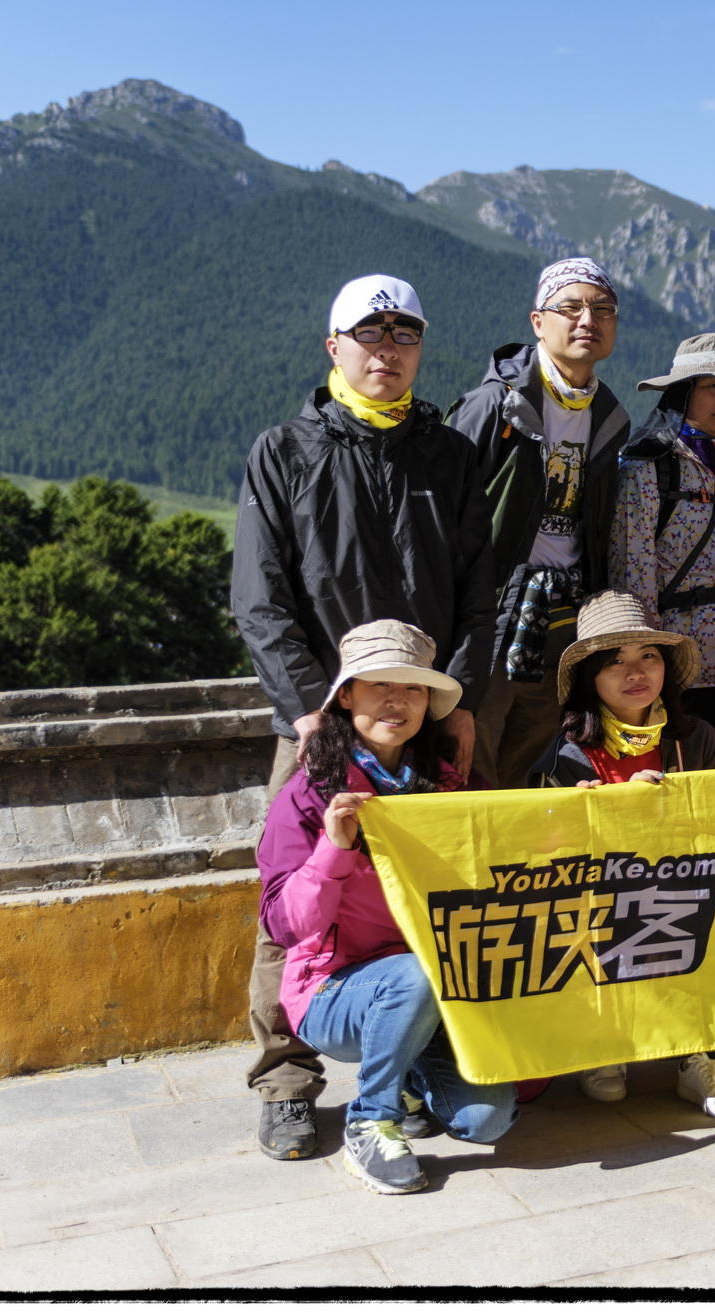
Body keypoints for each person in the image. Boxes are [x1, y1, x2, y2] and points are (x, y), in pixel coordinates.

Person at [231, 273, 495, 1161]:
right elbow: (260, 597)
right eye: (369, 335)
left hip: (426, 714)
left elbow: (481, 593)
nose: (387, 350)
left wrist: (460, 698)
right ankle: (286, 1079)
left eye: (404, 334)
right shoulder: (284, 452)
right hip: (321, 718)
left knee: (436, 890)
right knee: (293, 900)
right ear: (333, 347)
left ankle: (412, 1063)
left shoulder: (449, 455)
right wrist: (307, 708)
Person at [256, 620, 522, 1194]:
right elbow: (283, 925)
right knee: (410, 976)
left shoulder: (453, 785)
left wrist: (586, 809)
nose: (397, 701)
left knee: (488, 1121)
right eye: (379, 684)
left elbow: (518, 845)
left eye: (413, 688)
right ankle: (371, 1121)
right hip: (334, 991)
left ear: (429, 703)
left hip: (441, 991)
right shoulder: (308, 794)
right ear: (346, 697)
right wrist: (333, 850)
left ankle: (407, 1069)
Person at [534, 591, 715, 1119]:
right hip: (603, 899)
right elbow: (547, 855)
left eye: (648, 656)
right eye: (615, 662)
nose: (636, 673)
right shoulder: (564, 753)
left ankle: (695, 1054)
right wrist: (607, 812)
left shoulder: (695, 737)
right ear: (589, 679)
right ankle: (604, 1042)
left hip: (686, 888)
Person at [448, 256, 631, 789]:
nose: (587, 320)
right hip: (493, 611)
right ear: (538, 322)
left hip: (565, 614)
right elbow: (449, 514)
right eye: (570, 308)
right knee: (473, 747)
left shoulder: (610, 416)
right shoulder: (495, 406)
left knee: (535, 751)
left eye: (603, 310)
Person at [609, 335, 715, 764]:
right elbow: (633, 569)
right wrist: (648, 664)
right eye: (713, 386)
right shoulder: (647, 468)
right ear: (683, 392)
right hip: (685, 668)